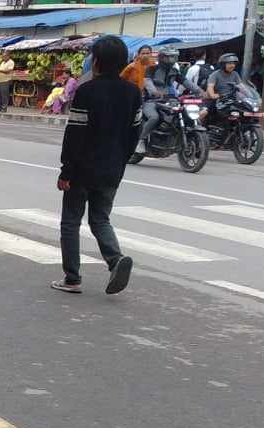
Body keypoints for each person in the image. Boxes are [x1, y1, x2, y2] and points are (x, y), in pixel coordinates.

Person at [53, 34, 139, 295]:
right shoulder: (132, 92)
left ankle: (72, 278)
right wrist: (120, 162)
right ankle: (115, 259)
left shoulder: (87, 91)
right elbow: (134, 134)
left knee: (71, 222)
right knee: (100, 219)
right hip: (112, 169)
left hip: (82, 169)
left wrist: (66, 170)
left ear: (97, 61)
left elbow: (75, 134)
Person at [138, 47, 188, 153]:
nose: (170, 59)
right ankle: (140, 141)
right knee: (154, 117)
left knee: (184, 114)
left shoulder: (175, 71)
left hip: (168, 101)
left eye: (173, 57)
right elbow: (147, 82)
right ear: (161, 57)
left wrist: (201, 92)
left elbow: (186, 82)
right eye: (167, 57)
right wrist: (154, 92)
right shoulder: (152, 69)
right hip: (151, 101)